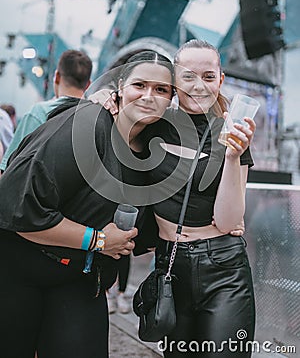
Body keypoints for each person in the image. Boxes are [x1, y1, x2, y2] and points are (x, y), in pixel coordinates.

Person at [0, 51, 174, 358]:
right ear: (120, 87)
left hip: (81, 279)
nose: (149, 96)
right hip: (19, 270)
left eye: (161, 89)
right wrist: (99, 240)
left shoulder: (154, 151)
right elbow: (21, 211)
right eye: (140, 85)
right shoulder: (85, 125)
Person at [92, 39, 256, 357]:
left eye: (208, 77)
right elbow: (117, 133)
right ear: (174, 82)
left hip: (224, 270)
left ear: (220, 80)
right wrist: (105, 99)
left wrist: (234, 157)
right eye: (188, 76)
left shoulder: (233, 134)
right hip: (170, 265)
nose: (198, 86)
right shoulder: (153, 126)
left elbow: (228, 220)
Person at [0, 49, 93, 173]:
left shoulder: (40, 113)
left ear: (57, 77)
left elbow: (8, 169)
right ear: (88, 84)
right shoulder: (96, 118)